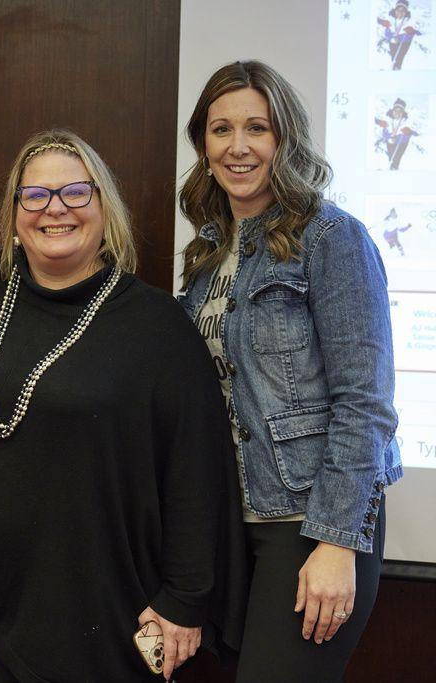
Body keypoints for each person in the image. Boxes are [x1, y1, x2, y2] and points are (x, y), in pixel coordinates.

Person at [0, 129, 243, 681]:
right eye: (36, 195)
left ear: (104, 205)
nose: (55, 209)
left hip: (109, 605)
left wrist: (185, 599)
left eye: (76, 192)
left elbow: (197, 473)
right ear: (14, 209)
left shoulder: (157, 327)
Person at [177, 60, 401, 683]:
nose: (238, 146)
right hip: (231, 523)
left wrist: (335, 540)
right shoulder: (207, 254)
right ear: (203, 144)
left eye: (258, 128)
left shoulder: (333, 238)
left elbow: (366, 403)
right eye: (221, 129)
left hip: (307, 523)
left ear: (286, 139)